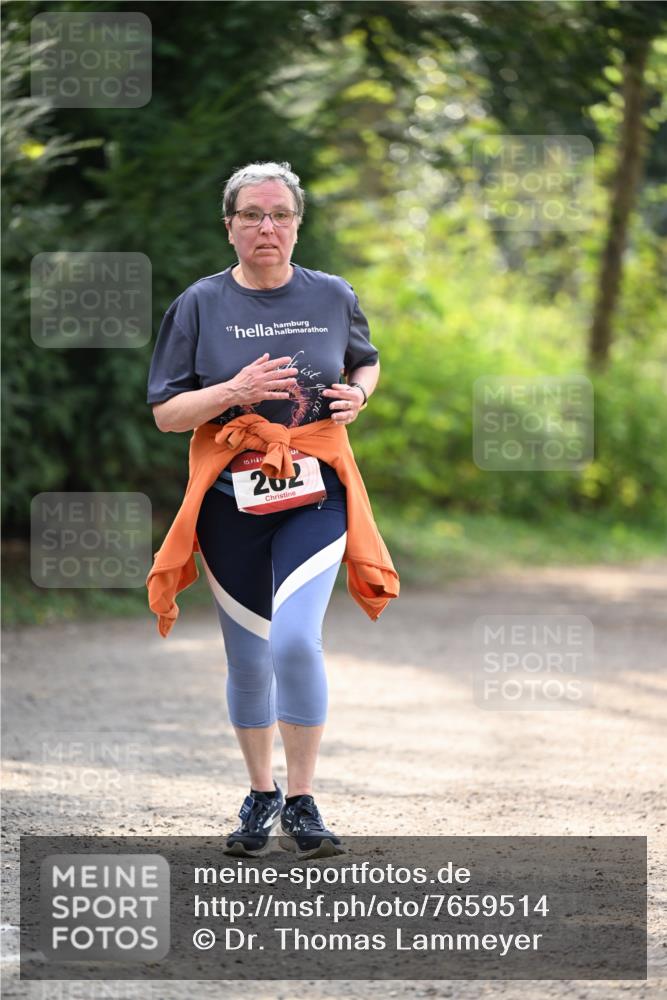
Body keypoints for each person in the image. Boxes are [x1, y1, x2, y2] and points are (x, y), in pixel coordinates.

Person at [146, 161, 397, 860]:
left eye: (279, 214)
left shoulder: (331, 294)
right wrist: (234, 390)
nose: (267, 227)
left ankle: (303, 799)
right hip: (229, 503)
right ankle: (261, 794)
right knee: (249, 659)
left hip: (315, 495)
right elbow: (168, 414)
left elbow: (364, 359)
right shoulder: (198, 304)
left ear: (296, 223)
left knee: (293, 640)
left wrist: (358, 394)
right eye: (252, 215)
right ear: (228, 226)